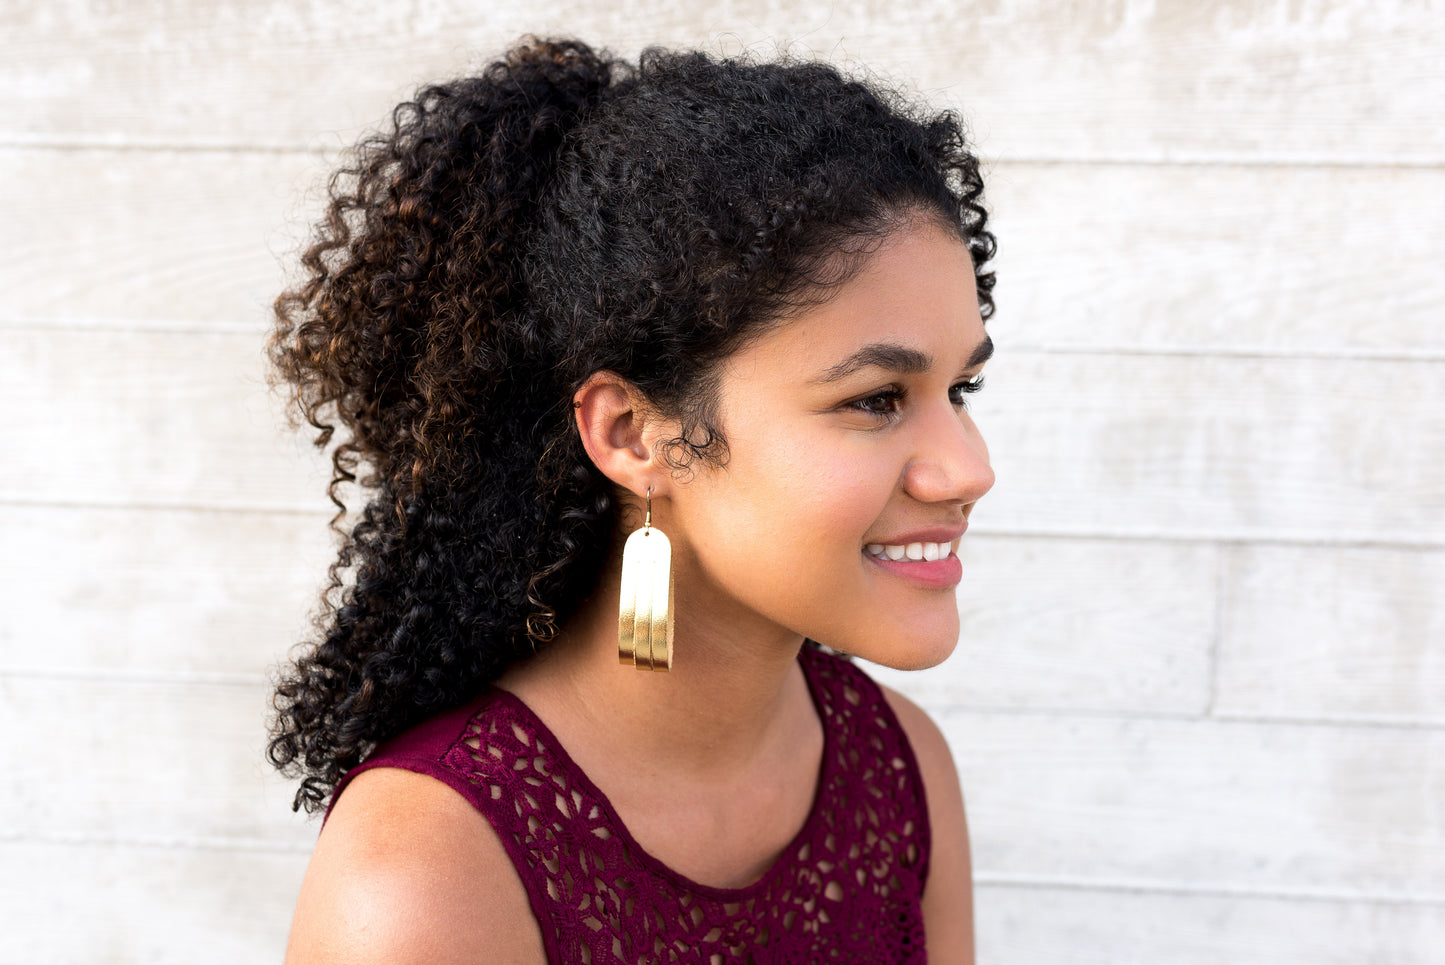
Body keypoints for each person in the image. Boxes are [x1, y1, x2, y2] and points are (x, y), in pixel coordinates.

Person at [268, 36, 996, 965]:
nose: (967, 469)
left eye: (959, 391)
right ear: (630, 436)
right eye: (874, 400)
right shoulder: (429, 868)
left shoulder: (901, 769)